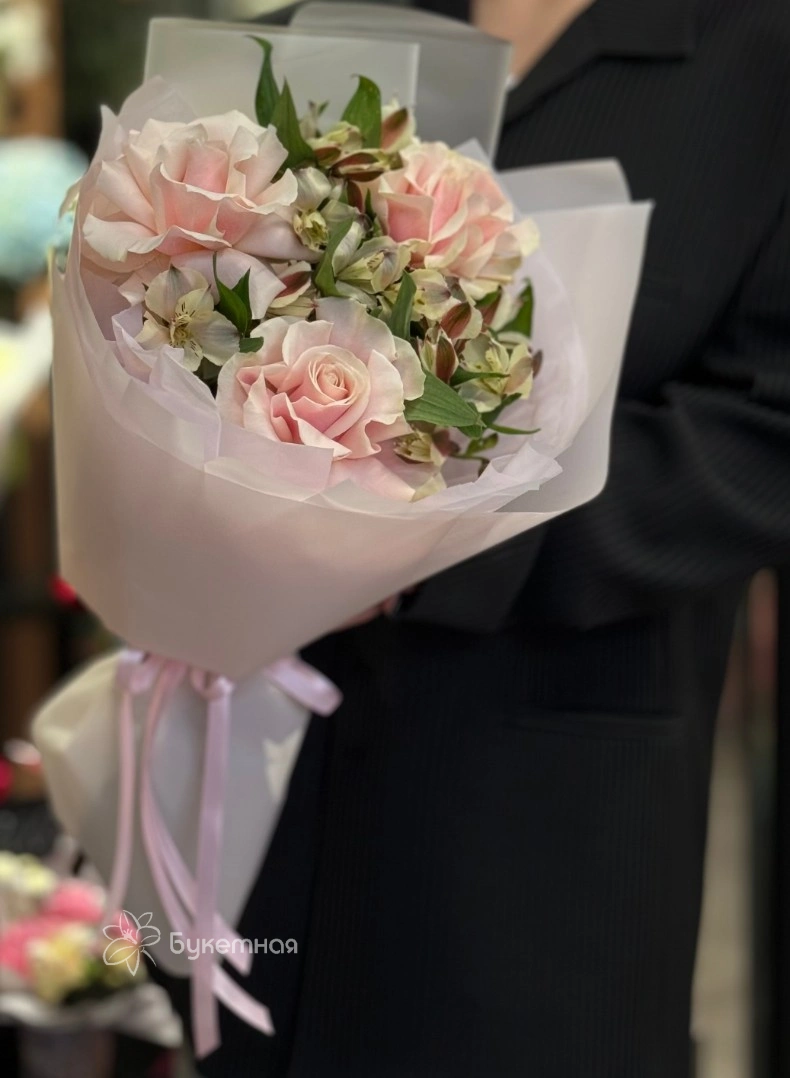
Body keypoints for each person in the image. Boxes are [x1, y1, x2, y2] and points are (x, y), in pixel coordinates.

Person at [168, 1, 790, 1075]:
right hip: (270, 761)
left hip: (547, 810)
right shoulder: (323, 27)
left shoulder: (753, 54)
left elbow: (761, 438)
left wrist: (438, 535)